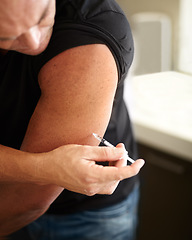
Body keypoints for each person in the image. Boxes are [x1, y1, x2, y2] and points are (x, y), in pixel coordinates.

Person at [0, 0, 145, 239]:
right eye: (6, 37)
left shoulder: (88, 39)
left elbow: (30, 197)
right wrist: (41, 167)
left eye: (42, 18)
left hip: (83, 218)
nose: (35, 44)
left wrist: (40, 169)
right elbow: (46, 171)